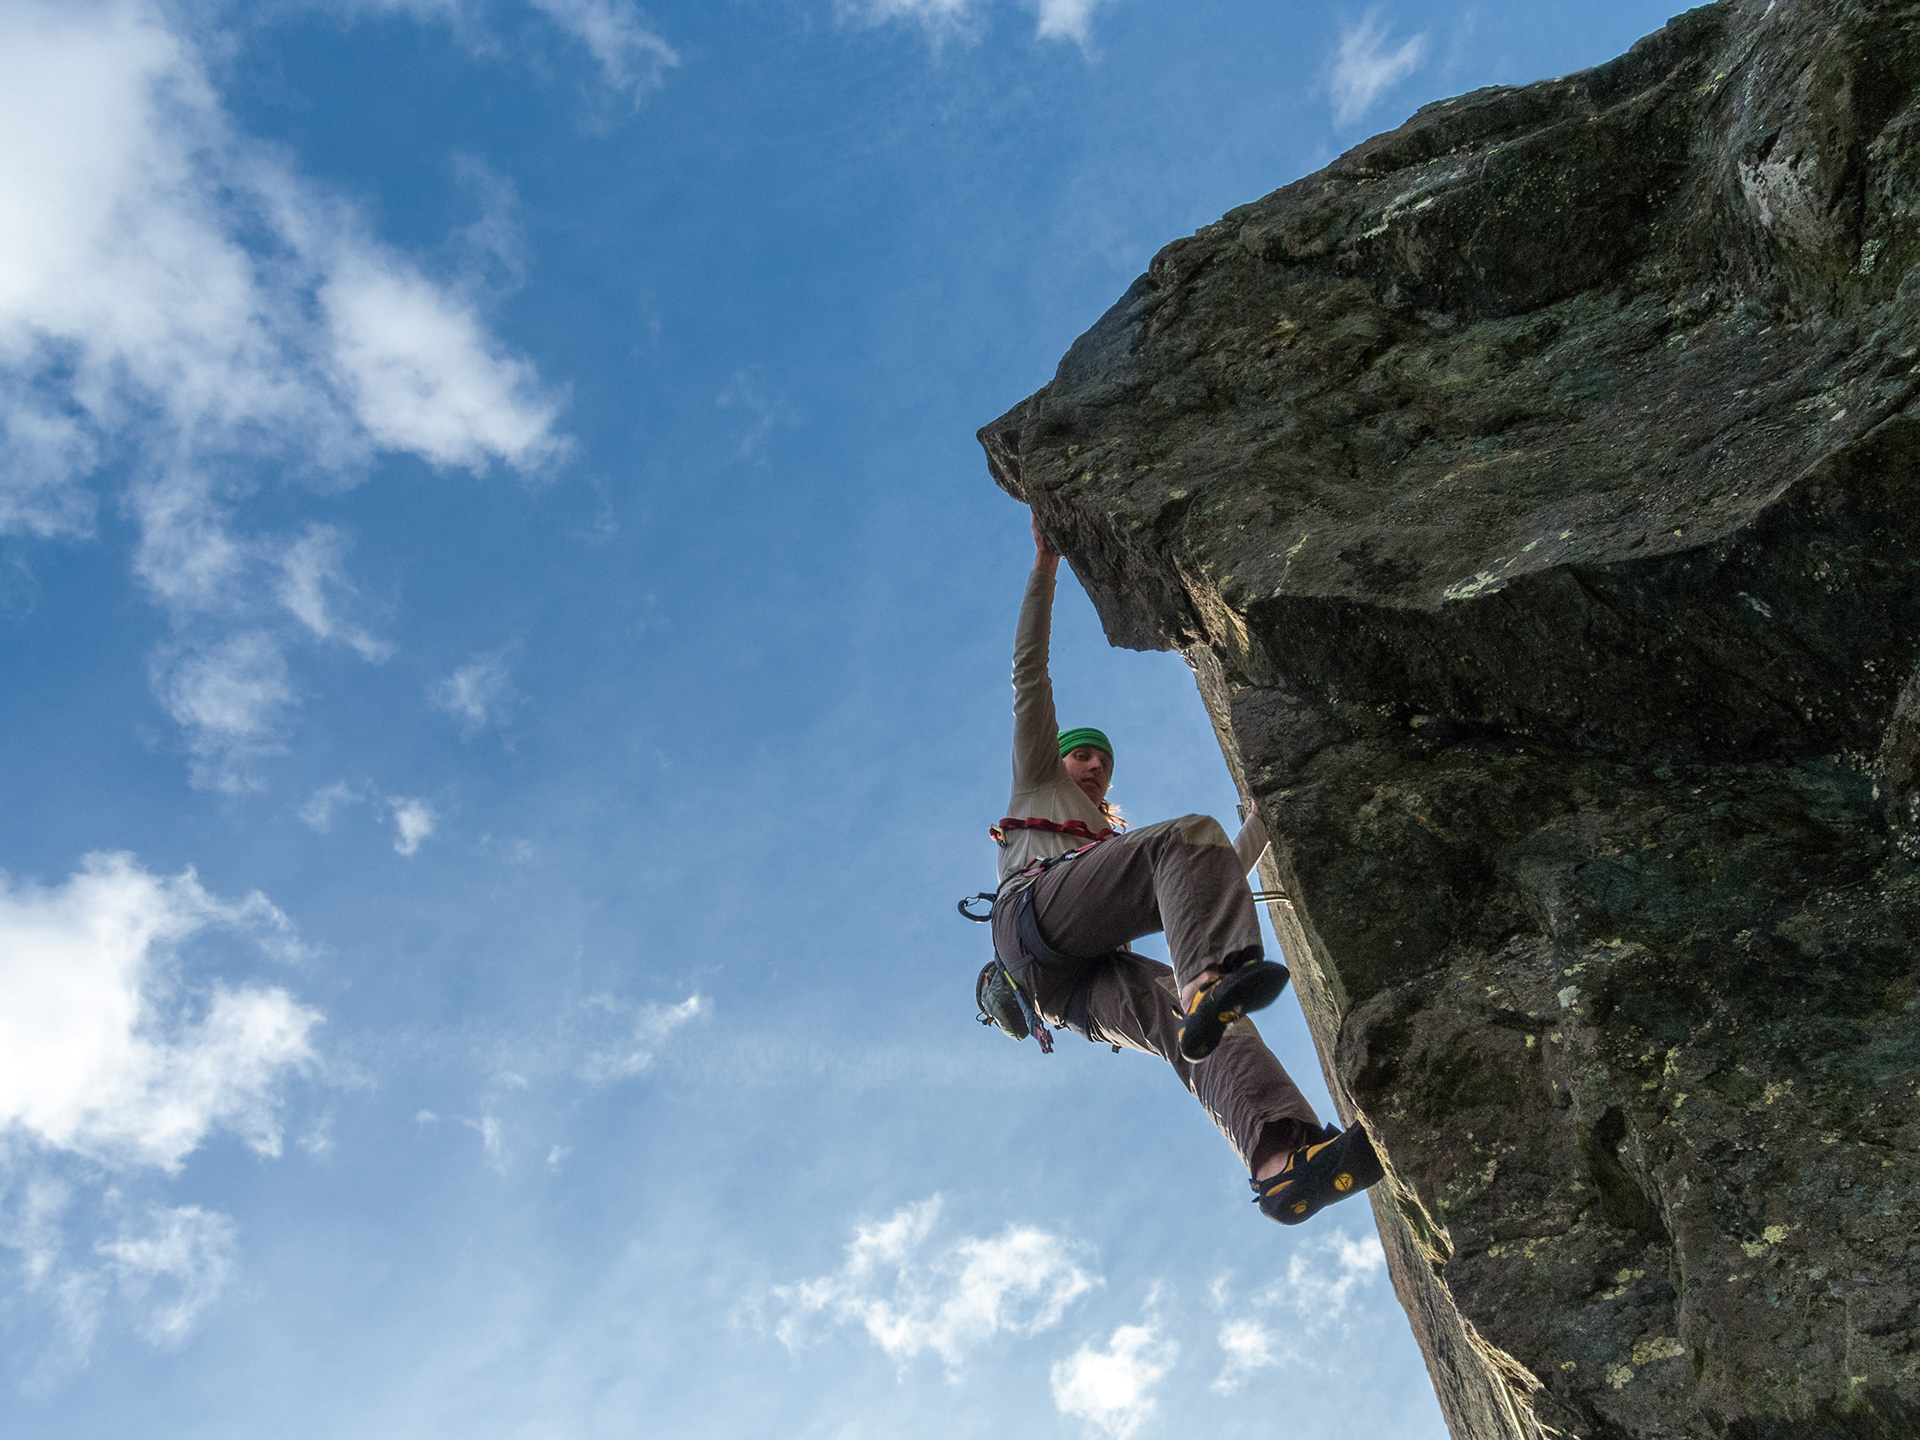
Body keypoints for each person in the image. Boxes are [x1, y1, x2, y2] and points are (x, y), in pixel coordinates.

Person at [982, 513, 1383, 1225]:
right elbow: (1028, 675)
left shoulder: (1108, 839)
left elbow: (1210, 886)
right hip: (1032, 923)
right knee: (1186, 842)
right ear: (1058, 758)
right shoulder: (1037, 783)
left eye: (1103, 759)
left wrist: (1263, 821)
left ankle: (1284, 1162)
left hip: (1066, 992)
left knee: (1201, 1030)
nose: (1096, 764)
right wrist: (1044, 570)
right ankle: (1206, 984)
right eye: (1084, 754)